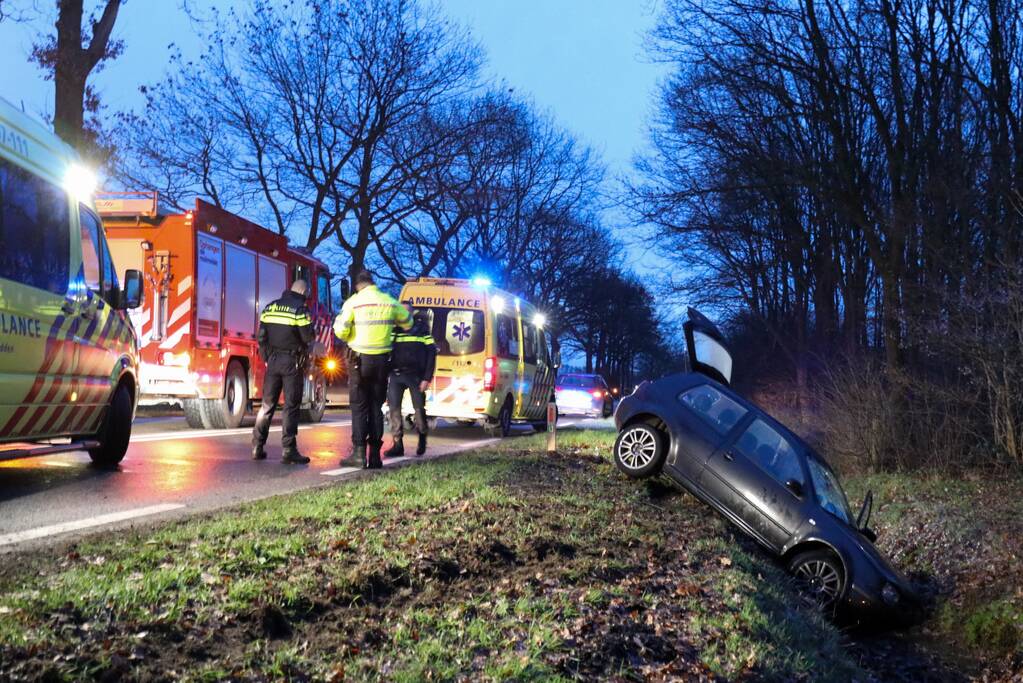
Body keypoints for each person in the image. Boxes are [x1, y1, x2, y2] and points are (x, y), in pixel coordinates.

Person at [333, 270, 412, 468]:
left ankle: (359, 454)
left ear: (359, 285)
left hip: (359, 361)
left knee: (359, 407)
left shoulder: (354, 302)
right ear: (372, 282)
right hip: (382, 362)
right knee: (376, 407)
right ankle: (375, 456)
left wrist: (351, 333)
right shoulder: (389, 301)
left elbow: (341, 330)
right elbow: (408, 322)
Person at [252, 279, 314, 464]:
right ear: (304, 292)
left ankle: (257, 446)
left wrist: (268, 357)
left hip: (273, 361)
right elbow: (307, 338)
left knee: (267, 405)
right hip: (292, 362)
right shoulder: (300, 310)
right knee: (290, 406)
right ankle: (289, 450)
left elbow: (261, 337)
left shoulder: (270, 307)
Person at [384, 305, 437, 458]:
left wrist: (426, 378)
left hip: (416, 376)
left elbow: (431, 354)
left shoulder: (422, 330)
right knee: (393, 410)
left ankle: (422, 437)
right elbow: (388, 350)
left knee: (419, 409)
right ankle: (397, 444)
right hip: (396, 375)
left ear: (411, 313)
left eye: (405, 311)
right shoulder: (395, 329)